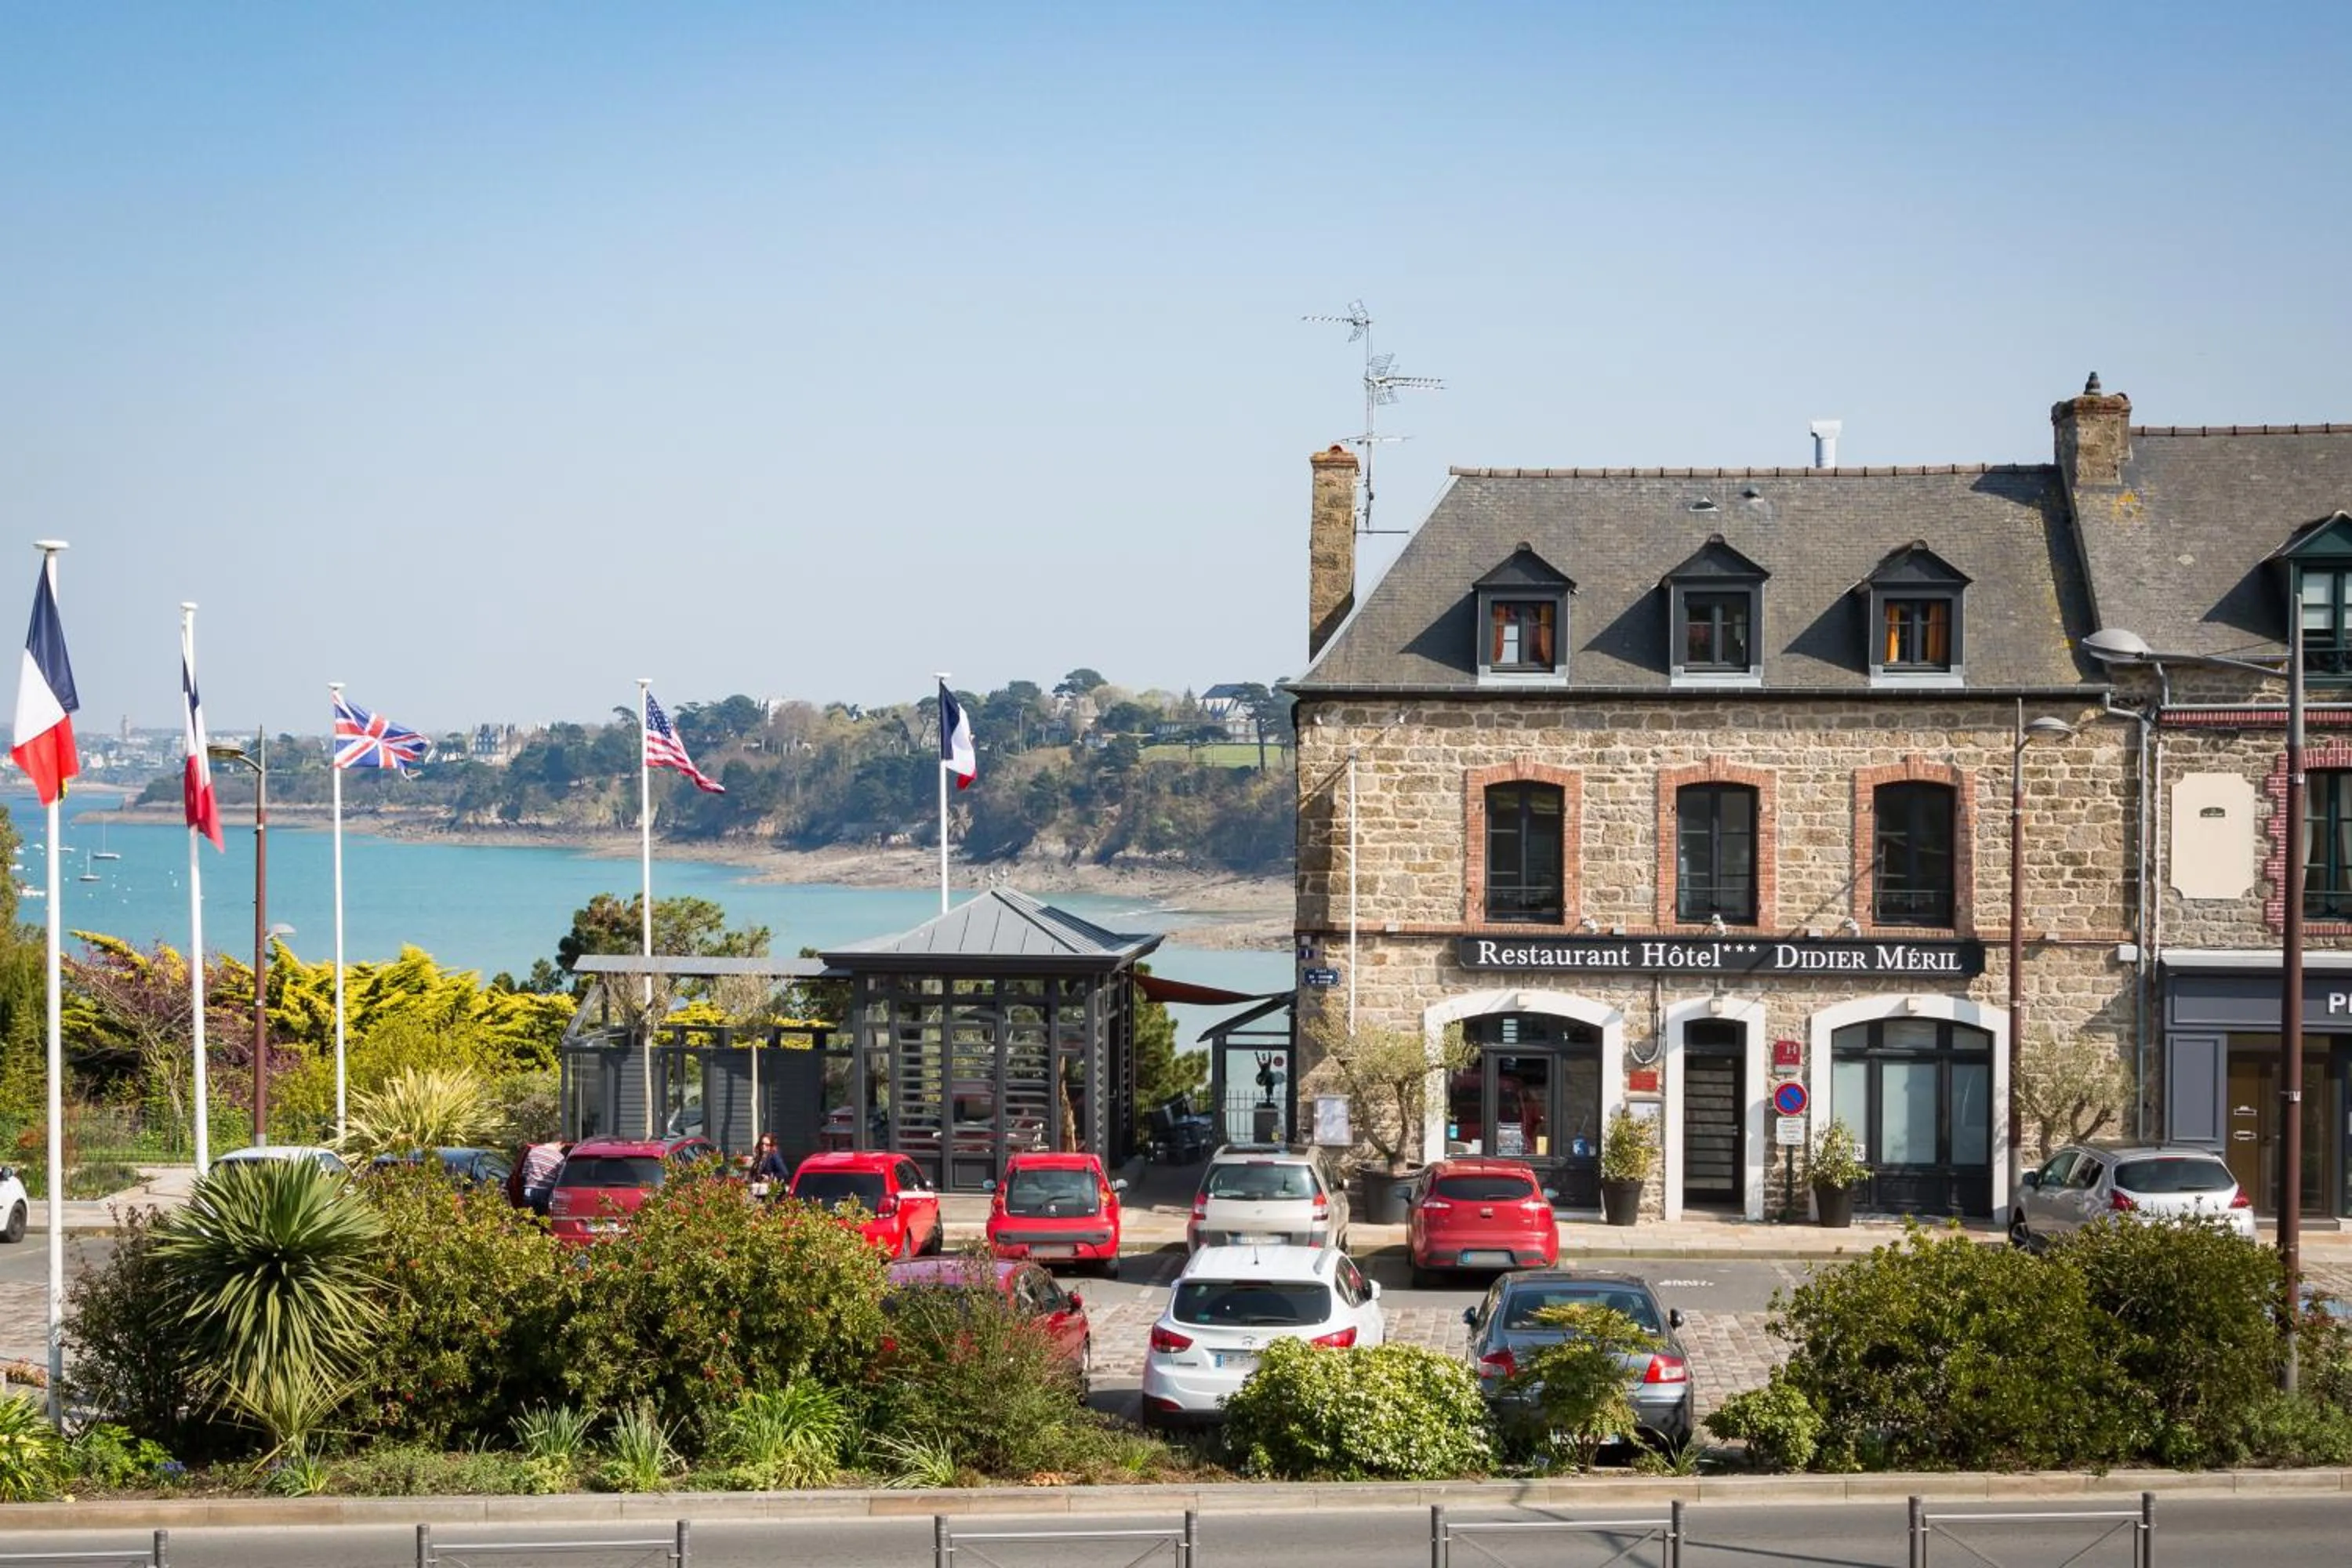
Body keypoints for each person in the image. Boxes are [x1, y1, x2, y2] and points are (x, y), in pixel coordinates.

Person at [517, 1139, 566, 1216]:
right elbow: (560, 1178)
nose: (561, 1149)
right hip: (545, 1192)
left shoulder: (533, 1151)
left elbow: (524, 1172)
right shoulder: (559, 1157)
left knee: (526, 1219)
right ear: (559, 1143)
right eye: (562, 1147)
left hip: (529, 1190)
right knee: (542, 1220)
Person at [747, 1134, 789, 1199]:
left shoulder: (774, 1156)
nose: (764, 1146)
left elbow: (785, 1173)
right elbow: (755, 1172)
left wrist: (770, 1177)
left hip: (773, 1194)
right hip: (761, 1192)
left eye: (767, 1145)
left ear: (771, 1146)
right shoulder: (760, 1156)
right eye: (762, 1144)